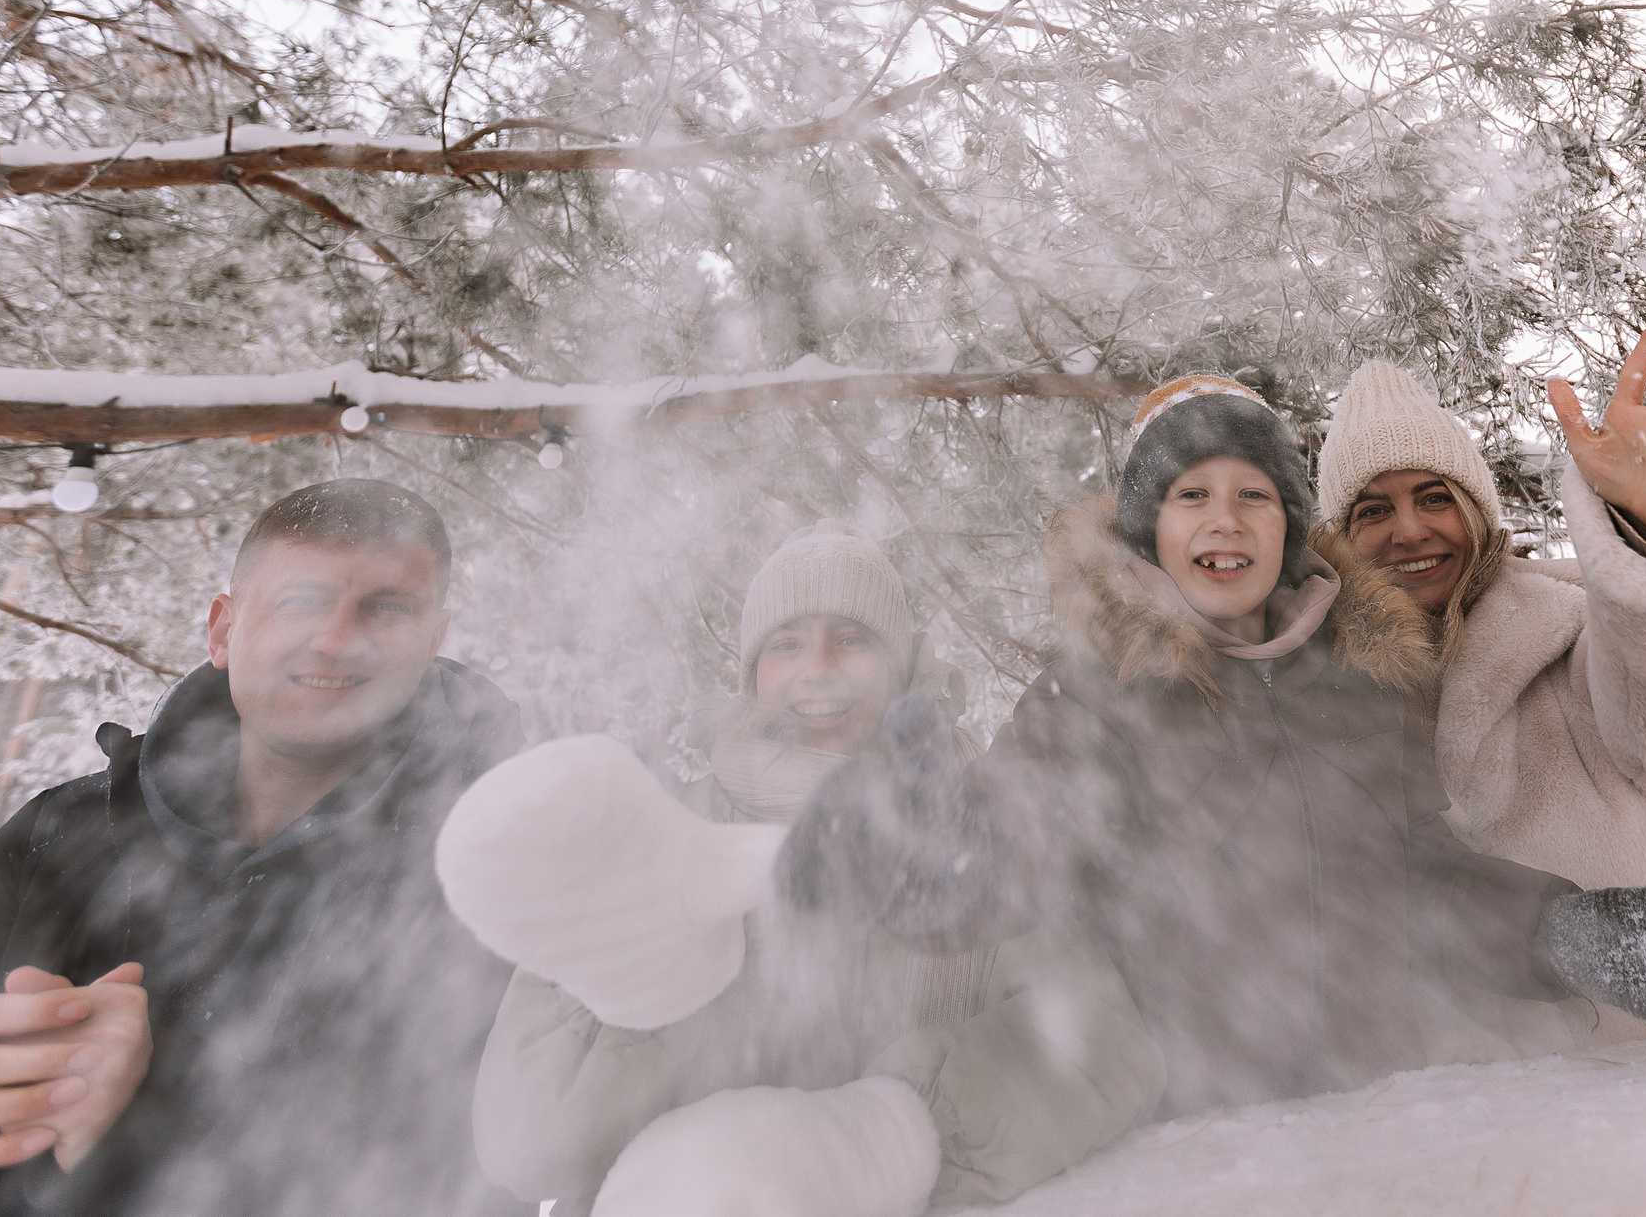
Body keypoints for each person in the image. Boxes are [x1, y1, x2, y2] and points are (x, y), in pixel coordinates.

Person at [779, 377, 1646, 1127]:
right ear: (1149, 532)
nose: (1222, 520)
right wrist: (903, 852)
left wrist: (1575, 937)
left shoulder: (1353, 686)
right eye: (1189, 496)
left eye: (1251, 495)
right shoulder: (1092, 696)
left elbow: (1417, 882)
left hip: (1384, 1116)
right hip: (1210, 1129)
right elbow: (1006, 860)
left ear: (1288, 527)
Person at [0, 480, 527, 1217]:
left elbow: (493, 1183)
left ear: (434, 641)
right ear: (222, 630)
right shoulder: (62, 835)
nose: (337, 638)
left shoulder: (502, 879)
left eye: (387, 607)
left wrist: (130, 1140)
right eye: (301, 599)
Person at [439, 521, 1165, 1217]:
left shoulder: (975, 827)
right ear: (752, 673)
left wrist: (884, 1135)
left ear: (907, 666)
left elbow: (1110, 1048)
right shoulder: (654, 835)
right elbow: (527, 1147)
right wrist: (645, 980)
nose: (818, 666)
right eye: (786, 642)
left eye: (853, 639)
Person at [1316, 318, 1646, 891]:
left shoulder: (1567, 641)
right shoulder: (1312, 679)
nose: (1410, 531)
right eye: (1372, 511)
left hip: (1629, 976)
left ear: (1476, 511)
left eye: (1434, 498)